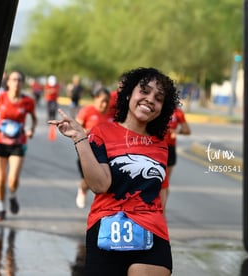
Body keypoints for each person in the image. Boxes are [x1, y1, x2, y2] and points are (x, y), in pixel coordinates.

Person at [49, 67, 179, 275]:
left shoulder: (161, 144)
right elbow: (100, 185)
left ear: (162, 107)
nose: (150, 99)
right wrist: (79, 138)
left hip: (152, 233)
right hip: (106, 231)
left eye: (158, 97)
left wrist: (159, 223)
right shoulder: (102, 133)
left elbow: (161, 191)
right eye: (144, 91)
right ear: (128, 93)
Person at [0, 70, 38, 222]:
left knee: (12, 179)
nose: (16, 82)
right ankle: (1, 208)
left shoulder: (28, 102)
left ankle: (13, 195)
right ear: (8, 82)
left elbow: (34, 119)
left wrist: (31, 130)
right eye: (13, 79)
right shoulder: (0, 98)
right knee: (1, 178)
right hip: (1, 142)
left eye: (19, 80)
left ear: (23, 83)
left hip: (18, 143)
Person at [75, 87, 111, 209]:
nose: (105, 104)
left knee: (106, 181)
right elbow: (75, 129)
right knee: (89, 180)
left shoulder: (112, 113)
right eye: (102, 101)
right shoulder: (87, 111)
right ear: (95, 99)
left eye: (107, 101)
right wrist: (87, 132)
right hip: (88, 151)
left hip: (107, 152)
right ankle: (82, 189)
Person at [160, 105, 191, 209]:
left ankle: (162, 208)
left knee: (165, 181)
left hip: (170, 148)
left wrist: (176, 131)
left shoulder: (178, 112)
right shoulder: (159, 108)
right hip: (156, 146)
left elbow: (187, 130)